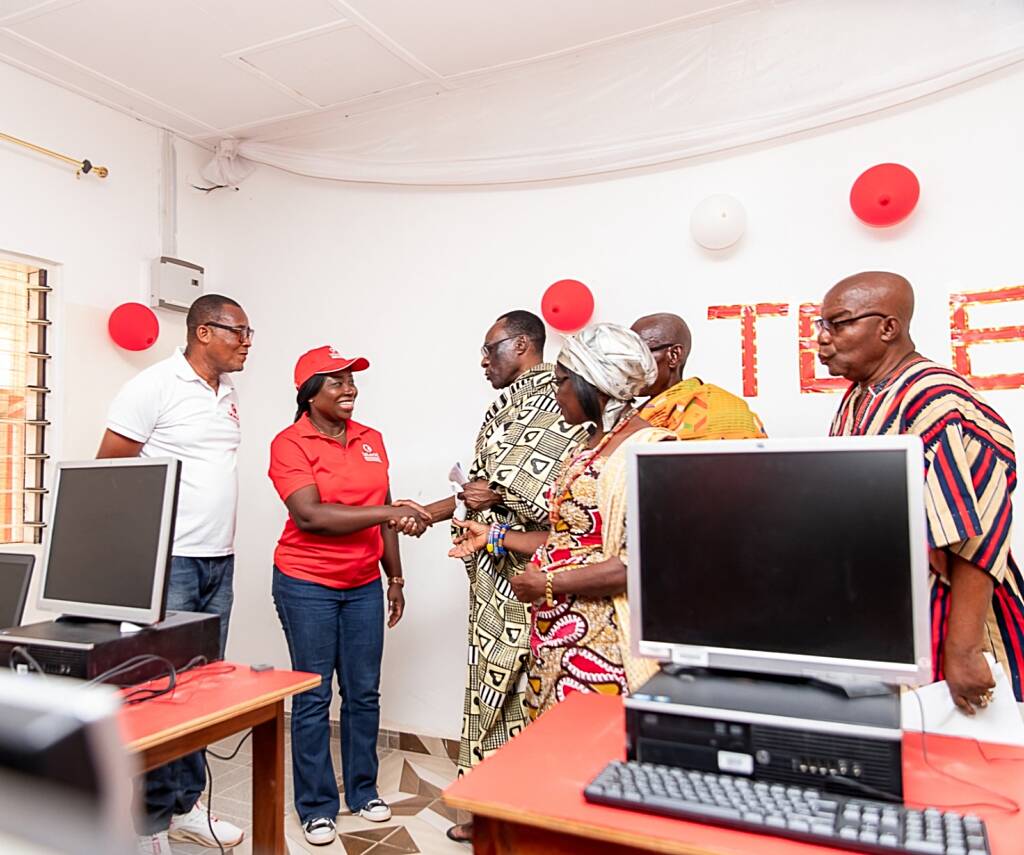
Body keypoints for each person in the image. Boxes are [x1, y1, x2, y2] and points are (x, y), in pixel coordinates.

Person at [416, 310, 586, 843]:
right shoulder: (511, 404)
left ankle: (524, 808)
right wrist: (429, 512)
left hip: (537, 575)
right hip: (494, 573)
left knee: (529, 690)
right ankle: (489, 804)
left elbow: (559, 492)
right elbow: (483, 485)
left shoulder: (557, 397)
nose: (484, 361)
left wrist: (497, 496)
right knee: (492, 688)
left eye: (491, 350)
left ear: (523, 345)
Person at [819, 271, 1024, 713]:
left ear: (888, 327)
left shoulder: (933, 397)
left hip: (946, 618)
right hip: (892, 616)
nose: (822, 339)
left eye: (838, 324)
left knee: (964, 762)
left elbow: (980, 531)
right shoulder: (861, 395)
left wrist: (964, 650)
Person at [451, 323, 675, 720]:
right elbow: (568, 540)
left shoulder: (649, 451)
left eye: (561, 383)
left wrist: (547, 582)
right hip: (555, 633)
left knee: (592, 760)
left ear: (595, 383)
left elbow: (642, 563)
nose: (556, 395)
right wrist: (496, 535)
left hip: (605, 644)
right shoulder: (587, 447)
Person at [98, 294, 250, 854]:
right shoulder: (153, 385)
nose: (247, 342)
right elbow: (111, 469)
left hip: (219, 558)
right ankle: (147, 821)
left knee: (201, 686)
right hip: (169, 561)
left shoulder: (228, 394)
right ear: (204, 332)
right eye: (239, 332)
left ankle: (185, 804)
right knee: (158, 691)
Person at [268, 346, 430, 847]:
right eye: (335, 381)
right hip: (306, 583)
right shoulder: (290, 443)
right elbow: (311, 516)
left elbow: (383, 510)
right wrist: (391, 514)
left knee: (363, 692)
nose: (349, 389)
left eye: (351, 380)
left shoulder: (371, 440)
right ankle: (316, 807)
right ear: (308, 393)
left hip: (362, 585)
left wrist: (394, 579)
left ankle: (362, 792)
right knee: (314, 697)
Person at [631, 312, 766, 439]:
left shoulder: (722, 410)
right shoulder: (636, 417)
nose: (627, 364)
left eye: (638, 354)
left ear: (674, 355)